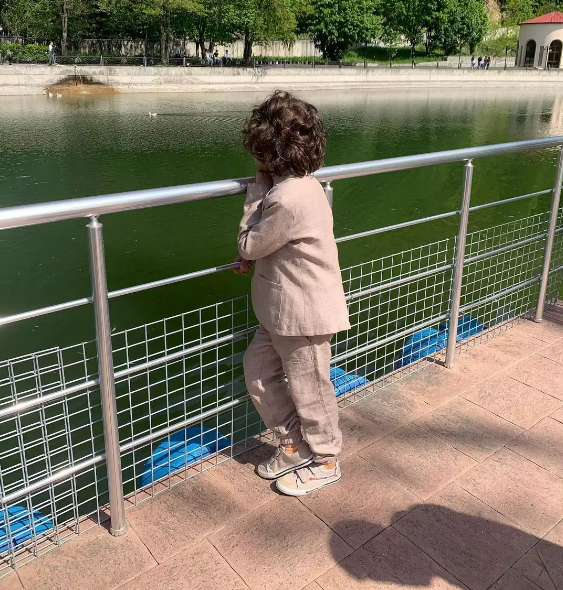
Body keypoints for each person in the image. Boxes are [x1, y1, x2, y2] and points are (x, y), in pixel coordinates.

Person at [235, 90, 350, 496]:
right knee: (258, 371)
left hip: (302, 313)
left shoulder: (286, 198)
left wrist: (255, 190)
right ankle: (292, 443)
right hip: (282, 311)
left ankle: (326, 459)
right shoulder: (303, 185)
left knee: (311, 389)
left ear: (268, 151)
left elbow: (250, 243)